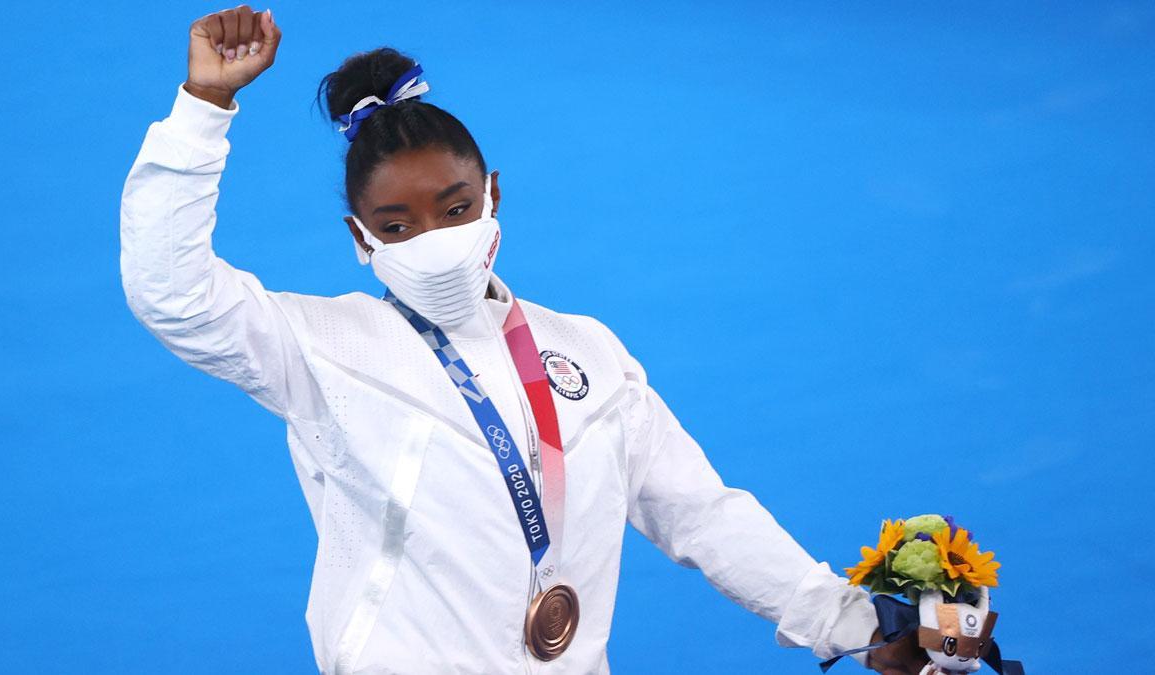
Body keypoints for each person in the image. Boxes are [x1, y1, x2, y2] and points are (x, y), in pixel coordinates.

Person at [120, 6, 928, 674]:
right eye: (396, 225)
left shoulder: (590, 354)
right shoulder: (320, 346)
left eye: (455, 207)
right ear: (358, 238)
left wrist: (858, 622)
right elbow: (171, 291)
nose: (432, 238)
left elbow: (701, 514)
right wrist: (203, 106)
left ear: (494, 194)